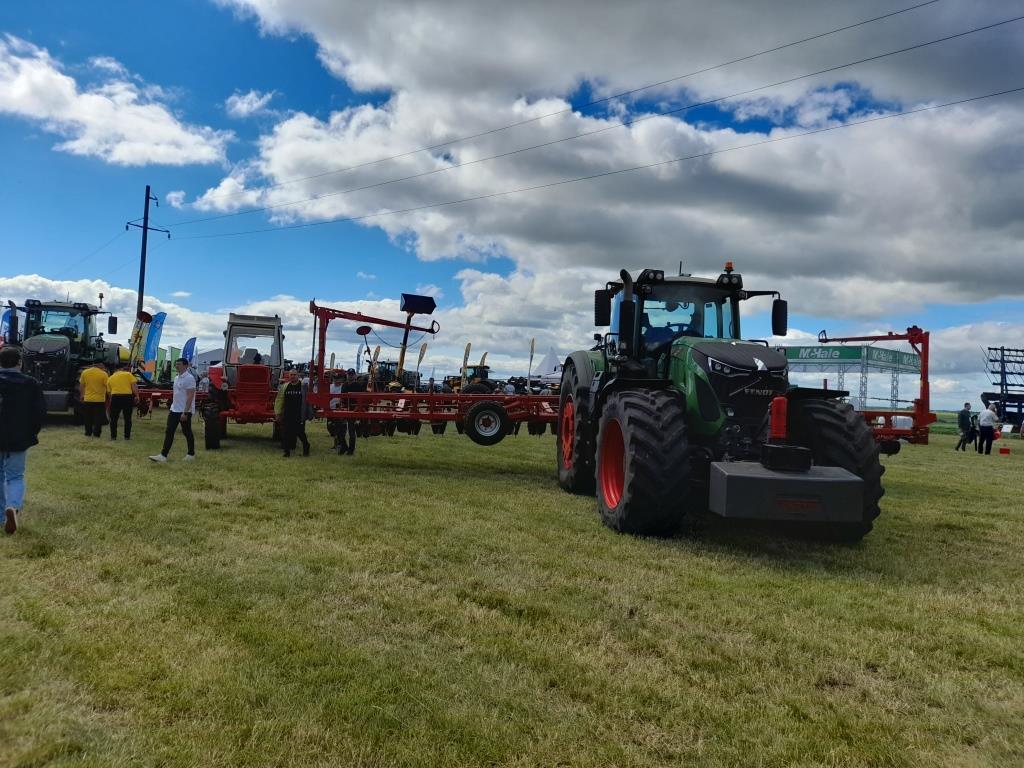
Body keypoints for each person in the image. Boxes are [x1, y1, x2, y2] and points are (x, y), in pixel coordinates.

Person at [0, 347, 46, 534]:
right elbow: (39, 412)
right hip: (18, 437)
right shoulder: (31, 383)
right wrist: (31, 433)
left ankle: (1, 517)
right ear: (20, 362)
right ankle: (13, 507)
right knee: (15, 476)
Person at [149, 358, 196, 462]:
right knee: (169, 431)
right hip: (174, 409)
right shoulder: (177, 377)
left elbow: (190, 396)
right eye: (176, 364)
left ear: (186, 366)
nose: (176, 366)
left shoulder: (189, 378)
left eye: (179, 364)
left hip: (184, 411)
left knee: (187, 432)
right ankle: (163, 455)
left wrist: (185, 412)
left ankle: (191, 454)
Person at [275, 368, 310, 457]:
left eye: (294, 375)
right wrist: (278, 412)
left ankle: (306, 447)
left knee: (300, 433)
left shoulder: (303, 386)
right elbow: (279, 399)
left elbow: (307, 400)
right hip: (287, 413)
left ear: (298, 376)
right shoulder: (285, 386)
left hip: (299, 414)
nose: (293, 376)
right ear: (289, 376)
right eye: (291, 375)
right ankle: (287, 452)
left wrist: (308, 413)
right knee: (286, 432)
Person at [106, 361, 138, 440]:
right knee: (127, 418)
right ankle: (127, 437)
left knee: (113, 419)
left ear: (115, 369)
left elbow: (109, 392)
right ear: (122, 368)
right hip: (127, 397)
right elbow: (134, 387)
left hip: (115, 397)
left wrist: (112, 399)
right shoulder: (128, 375)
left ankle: (113, 437)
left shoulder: (110, 378)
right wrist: (137, 396)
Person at [79, 361, 108, 437]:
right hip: (99, 400)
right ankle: (96, 433)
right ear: (100, 365)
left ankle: (88, 432)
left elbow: (82, 385)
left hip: (88, 399)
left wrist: (82, 395)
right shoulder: (103, 374)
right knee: (98, 418)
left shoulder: (85, 372)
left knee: (87, 417)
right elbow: (107, 386)